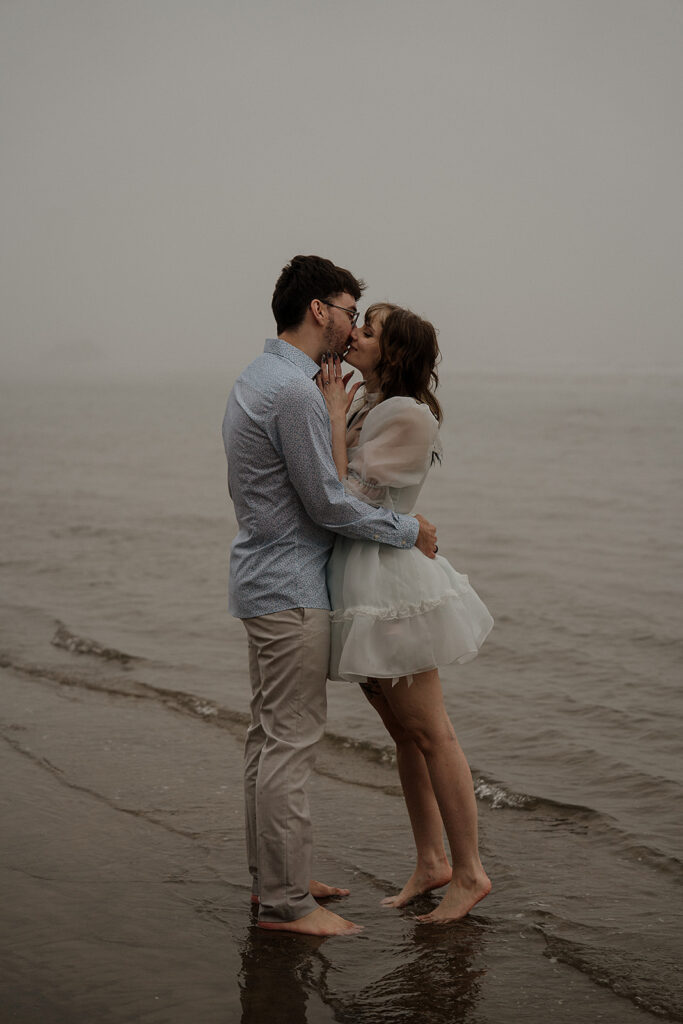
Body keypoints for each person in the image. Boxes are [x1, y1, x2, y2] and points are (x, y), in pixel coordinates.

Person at [222, 258, 439, 936]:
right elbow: (326, 503)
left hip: (265, 578)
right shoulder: (290, 393)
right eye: (348, 310)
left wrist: (333, 409)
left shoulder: (263, 379)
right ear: (319, 309)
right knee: (288, 742)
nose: (350, 327)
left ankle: (275, 878)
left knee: (268, 738)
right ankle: (287, 903)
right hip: (288, 586)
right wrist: (408, 530)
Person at [318, 302, 494, 923]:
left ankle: (469, 872)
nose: (355, 335)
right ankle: (430, 860)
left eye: (368, 330)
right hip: (362, 579)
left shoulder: (404, 413)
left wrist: (336, 415)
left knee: (431, 731)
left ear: (393, 352)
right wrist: (340, 409)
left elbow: (343, 496)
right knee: (403, 735)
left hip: (392, 586)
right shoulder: (373, 403)